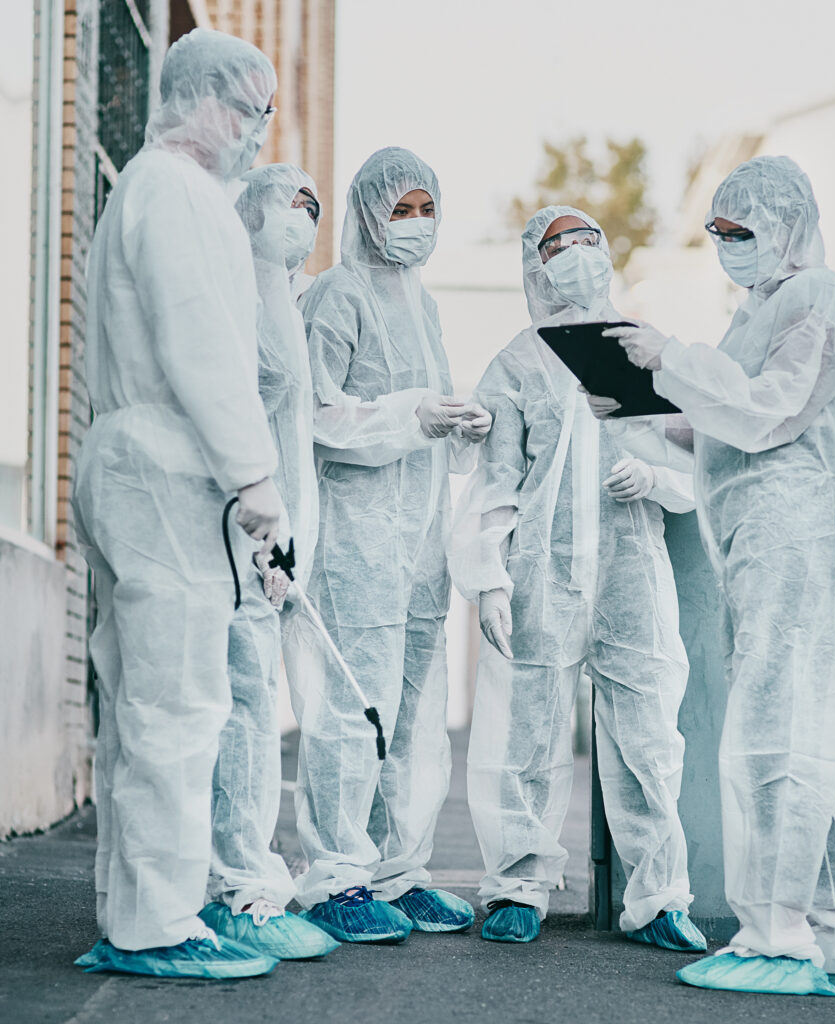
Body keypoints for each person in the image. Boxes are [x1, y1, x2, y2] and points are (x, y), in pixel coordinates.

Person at [591, 156, 835, 996]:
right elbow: (722, 421)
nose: (727, 243)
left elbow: (767, 412)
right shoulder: (758, 312)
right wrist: (639, 401)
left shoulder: (817, 297)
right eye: (717, 231)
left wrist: (670, 357)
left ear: (789, 224)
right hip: (770, 532)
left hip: (798, 528)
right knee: (813, 735)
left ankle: (775, 936)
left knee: (775, 729)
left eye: (742, 229)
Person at [70, 29, 296, 978]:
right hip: (166, 471)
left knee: (141, 710)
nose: (254, 132)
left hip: (134, 463)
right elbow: (201, 344)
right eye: (246, 110)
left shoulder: (146, 190)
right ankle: (156, 926)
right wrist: (255, 478)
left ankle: (134, 911)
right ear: (198, 98)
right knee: (178, 708)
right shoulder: (177, 193)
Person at [449, 206, 706, 950]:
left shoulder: (636, 347)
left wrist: (655, 476)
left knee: (649, 740)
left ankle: (659, 898)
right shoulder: (518, 363)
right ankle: (517, 887)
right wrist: (488, 577)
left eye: (588, 239)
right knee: (526, 736)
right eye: (559, 244)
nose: (579, 253)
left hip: (630, 571)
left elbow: (696, 459)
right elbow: (497, 478)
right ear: (536, 263)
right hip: (542, 573)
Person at [290, 147, 491, 942]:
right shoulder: (336, 295)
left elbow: (425, 422)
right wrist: (412, 414)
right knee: (351, 707)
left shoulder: (424, 304)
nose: (414, 225)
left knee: (412, 713)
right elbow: (316, 415)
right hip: (357, 539)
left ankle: (397, 872)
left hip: (419, 542)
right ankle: (335, 877)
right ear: (367, 214)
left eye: (425, 210)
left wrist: (461, 425)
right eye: (399, 210)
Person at [196, 165, 342, 962]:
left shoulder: (283, 296)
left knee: (255, 710)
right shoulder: (235, 292)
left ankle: (247, 878)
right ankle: (236, 889)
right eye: (292, 201)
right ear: (249, 207)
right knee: (240, 711)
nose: (305, 217)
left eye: (315, 207)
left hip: (274, 543)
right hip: (239, 537)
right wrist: (256, 531)